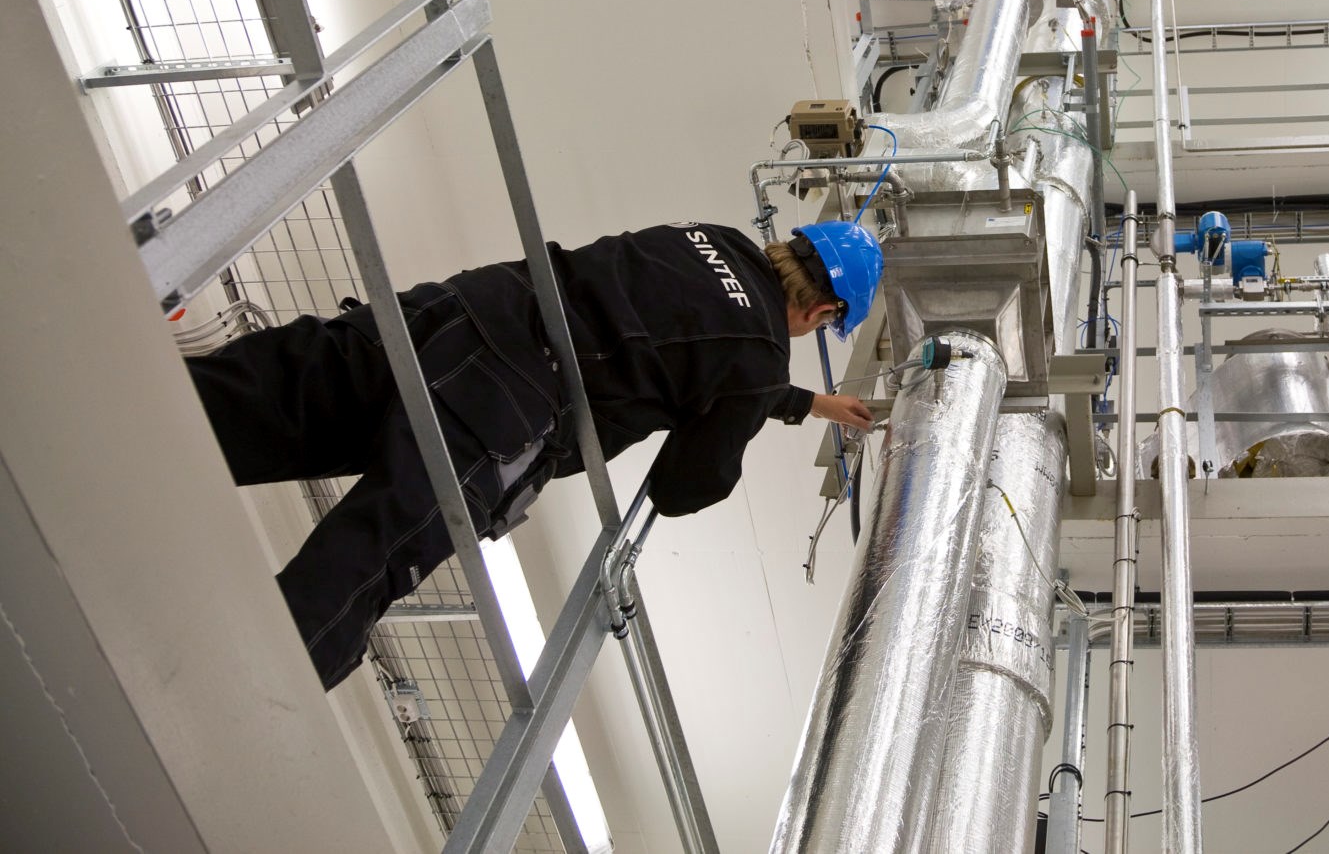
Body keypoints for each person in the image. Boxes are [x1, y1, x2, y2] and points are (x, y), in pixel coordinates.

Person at [187, 219, 882, 689]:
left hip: (465, 310)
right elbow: (684, 483)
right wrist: (758, 407)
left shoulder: (716, 238)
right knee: (367, 556)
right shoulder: (760, 358)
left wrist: (808, 402)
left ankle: (119, 411)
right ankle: (246, 693)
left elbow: (692, 340)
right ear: (823, 314)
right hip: (503, 402)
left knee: (274, 395)